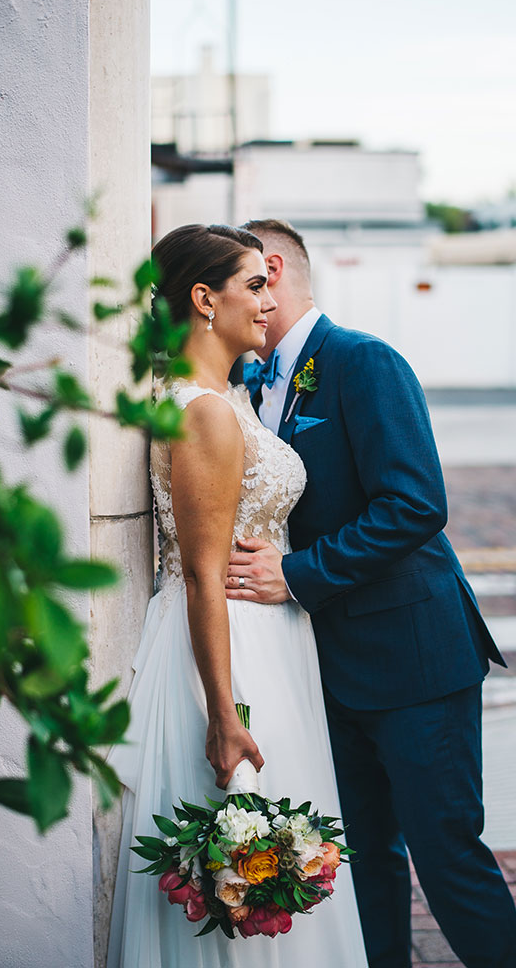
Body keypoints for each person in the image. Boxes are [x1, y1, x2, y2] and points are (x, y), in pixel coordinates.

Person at [225, 218, 516, 968]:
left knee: (446, 853)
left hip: (414, 661)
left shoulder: (362, 360)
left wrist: (296, 574)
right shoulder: (251, 382)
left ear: (269, 271)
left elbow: (415, 503)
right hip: (325, 669)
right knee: (361, 858)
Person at [106, 224, 368, 968]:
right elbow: (198, 573)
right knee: (246, 851)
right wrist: (224, 714)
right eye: (253, 284)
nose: (268, 299)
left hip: (267, 637)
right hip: (232, 653)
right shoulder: (205, 413)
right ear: (202, 298)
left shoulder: (224, 398)